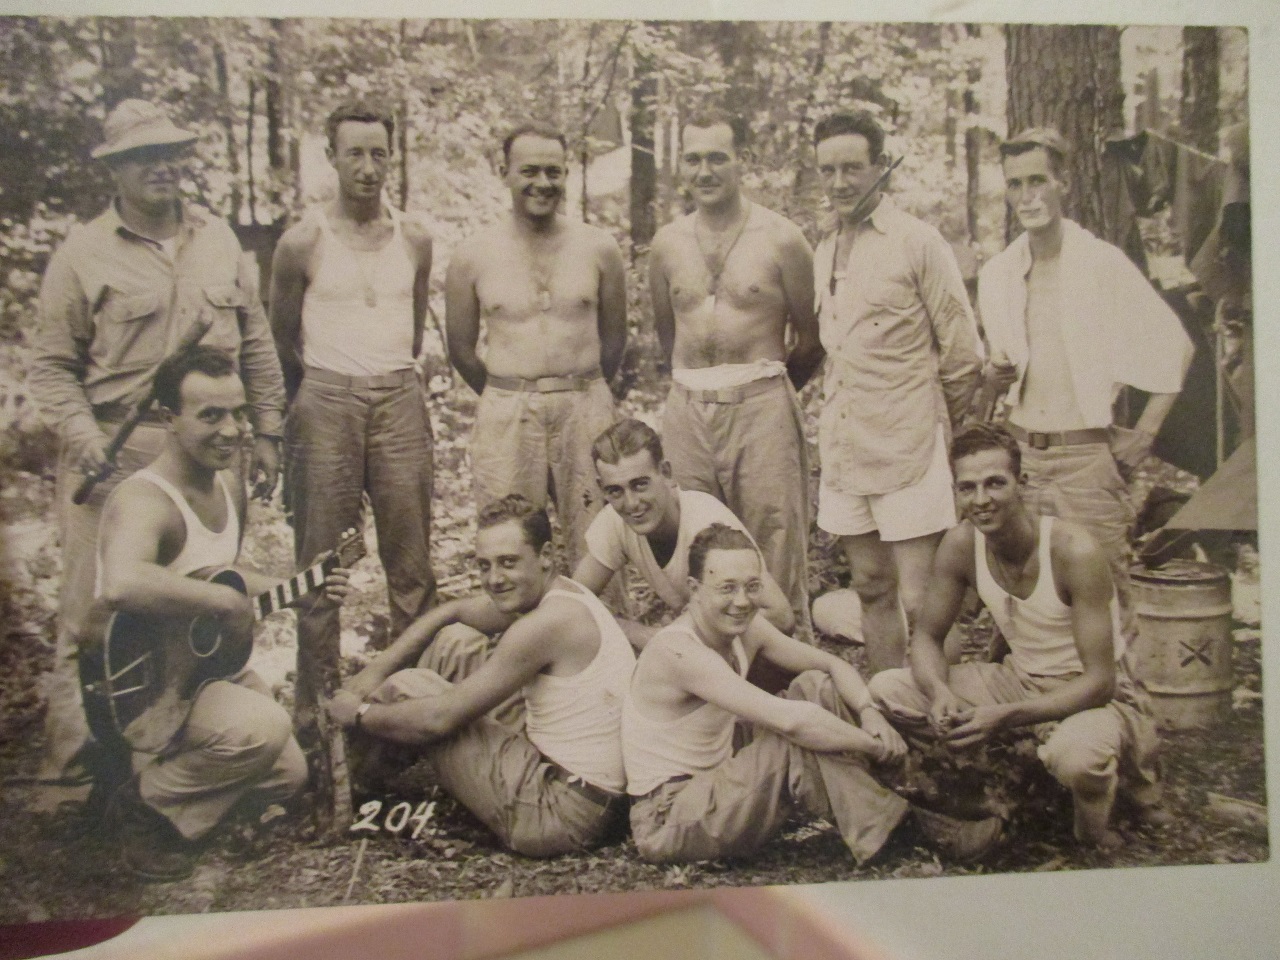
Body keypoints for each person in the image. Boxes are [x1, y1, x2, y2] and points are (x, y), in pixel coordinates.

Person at [29, 99, 287, 789]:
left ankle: (172, 749)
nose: (162, 167)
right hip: (119, 452)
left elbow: (255, 343)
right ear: (115, 169)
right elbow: (51, 366)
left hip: (212, 445)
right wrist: (84, 438)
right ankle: (82, 776)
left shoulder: (219, 241)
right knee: (95, 613)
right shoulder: (82, 255)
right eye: (144, 156)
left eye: (172, 152)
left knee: (198, 594)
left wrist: (266, 431)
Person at [94, 346, 348, 880]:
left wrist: (299, 588)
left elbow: (221, 575)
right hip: (146, 684)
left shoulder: (225, 482)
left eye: (239, 413)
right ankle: (140, 804)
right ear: (169, 419)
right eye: (211, 415)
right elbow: (120, 582)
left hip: (199, 670)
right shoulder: (144, 498)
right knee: (263, 728)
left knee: (288, 773)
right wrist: (220, 602)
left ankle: (173, 792)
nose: (232, 431)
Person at [624, 523, 1002, 866]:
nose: (742, 601)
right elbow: (791, 721)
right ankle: (914, 828)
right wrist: (871, 744)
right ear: (694, 590)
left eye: (752, 586)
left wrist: (869, 712)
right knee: (795, 739)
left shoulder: (745, 627)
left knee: (814, 688)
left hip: (716, 781)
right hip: (668, 814)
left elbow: (831, 666)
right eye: (727, 588)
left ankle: (912, 796)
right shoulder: (678, 651)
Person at [868, 424, 1165, 848]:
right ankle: (995, 786)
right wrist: (938, 692)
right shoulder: (962, 544)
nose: (982, 499)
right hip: (1019, 681)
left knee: (1077, 760)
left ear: (1022, 483)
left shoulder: (1073, 551)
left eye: (995, 483)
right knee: (888, 688)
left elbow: (1101, 683)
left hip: (1092, 696)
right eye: (967, 488)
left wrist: (1004, 717)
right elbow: (928, 638)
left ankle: (1093, 834)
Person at [327, 494, 635, 858]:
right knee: (456, 643)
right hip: (582, 783)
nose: (494, 579)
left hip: (564, 813)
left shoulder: (548, 623)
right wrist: (369, 675)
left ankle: (340, 788)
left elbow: (440, 720)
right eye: (484, 566)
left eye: (508, 563)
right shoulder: (559, 593)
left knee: (410, 688)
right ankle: (357, 768)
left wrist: (359, 714)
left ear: (546, 557)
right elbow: (452, 612)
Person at [979, 127, 1193, 635]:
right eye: (1015, 185)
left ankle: (1121, 711)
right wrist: (994, 374)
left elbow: (1175, 346)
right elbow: (996, 374)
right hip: (1020, 459)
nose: (1027, 196)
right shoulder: (1000, 273)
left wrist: (1144, 435)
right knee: (1024, 597)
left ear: (1063, 183)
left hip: (1086, 461)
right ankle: (1036, 707)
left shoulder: (1100, 263)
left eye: (1038, 181)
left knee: (1106, 601)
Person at [270, 100, 437, 724]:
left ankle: (414, 707)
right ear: (331, 157)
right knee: (320, 565)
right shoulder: (302, 241)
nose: (368, 168)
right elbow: (280, 336)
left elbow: (415, 331)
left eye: (378, 154)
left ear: (391, 158)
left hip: (398, 394)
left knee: (411, 561)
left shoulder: (415, 237)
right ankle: (316, 716)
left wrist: (387, 381)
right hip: (326, 398)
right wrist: (318, 394)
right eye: (355, 154)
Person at [810, 111, 983, 676]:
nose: (840, 182)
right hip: (845, 450)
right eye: (829, 170)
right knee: (870, 587)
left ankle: (944, 725)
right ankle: (892, 707)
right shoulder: (823, 250)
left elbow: (962, 354)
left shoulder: (918, 242)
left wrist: (950, 445)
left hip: (910, 447)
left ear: (881, 168)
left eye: (853, 168)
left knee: (923, 601)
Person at [649, 112, 821, 634]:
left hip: (760, 404)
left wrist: (761, 394)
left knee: (774, 542)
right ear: (682, 166)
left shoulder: (783, 239)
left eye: (717, 157)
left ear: (741, 162)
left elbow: (811, 340)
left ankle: (787, 684)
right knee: (692, 545)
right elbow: (665, 334)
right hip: (687, 412)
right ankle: (708, 684)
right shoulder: (666, 244)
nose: (705, 170)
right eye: (695, 158)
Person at [445, 123, 627, 572]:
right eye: (529, 171)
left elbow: (615, 340)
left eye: (553, 171)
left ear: (567, 174)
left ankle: (607, 635)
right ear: (503, 172)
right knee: (509, 542)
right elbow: (462, 349)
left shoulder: (599, 248)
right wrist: (511, 390)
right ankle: (517, 638)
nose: (542, 183)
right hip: (508, 410)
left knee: (601, 535)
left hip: (585, 404)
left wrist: (579, 386)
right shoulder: (473, 254)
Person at [572, 417, 794, 651]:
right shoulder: (614, 520)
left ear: (666, 473)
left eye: (640, 485)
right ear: (602, 488)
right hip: (694, 643)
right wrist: (639, 633)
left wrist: (669, 638)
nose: (631, 503)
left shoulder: (705, 522)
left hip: (743, 654)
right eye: (615, 490)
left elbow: (780, 617)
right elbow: (573, 601)